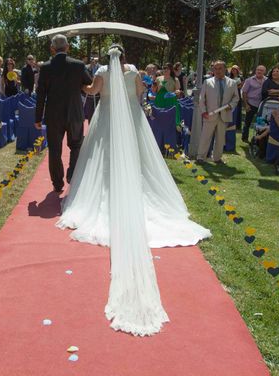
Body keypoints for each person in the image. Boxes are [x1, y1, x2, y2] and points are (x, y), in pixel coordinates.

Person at [58, 44, 210, 336]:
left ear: (109, 58)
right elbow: (141, 94)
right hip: (131, 119)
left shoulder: (102, 72)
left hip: (108, 121)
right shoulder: (136, 73)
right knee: (135, 160)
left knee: (102, 160)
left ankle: (106, 190)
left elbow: (92, 92)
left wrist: (83, 83)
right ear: (126, 56)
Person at [35, 34, 92, 192]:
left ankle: (57, 183)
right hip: (75, 113)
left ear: (52, 49)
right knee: (76, 146)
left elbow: (40, 95)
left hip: (53, 116)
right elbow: (89, 83)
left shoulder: (45, 67)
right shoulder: (78, 65)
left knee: (54, 150)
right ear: (67, 47)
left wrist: (37, 117)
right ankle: (72, 174)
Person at [197, 60, 240, 163]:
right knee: (205, 137)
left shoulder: (232, 83)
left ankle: (217, 158)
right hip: (210, 115)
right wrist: (203, 112)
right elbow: (201, 98)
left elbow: (236, 98)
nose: (217, 71)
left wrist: (231, 105)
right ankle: (200, 157)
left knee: (220, 139)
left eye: (220, 68)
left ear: (225, 69)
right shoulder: (207, 82)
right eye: (215, 68)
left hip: (224, 115)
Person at [241, 65, 266, 142]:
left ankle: (258, 138)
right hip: (251, 103)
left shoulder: (267, 80)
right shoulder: (249, 80)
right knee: (247, 122)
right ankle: (244, 138)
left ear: (264, 72)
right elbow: (244, 92)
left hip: (262, 105)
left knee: (261, 122)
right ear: (255, 71)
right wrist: (246, 105)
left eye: (261, 70)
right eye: (258, 70)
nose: (259, 71)